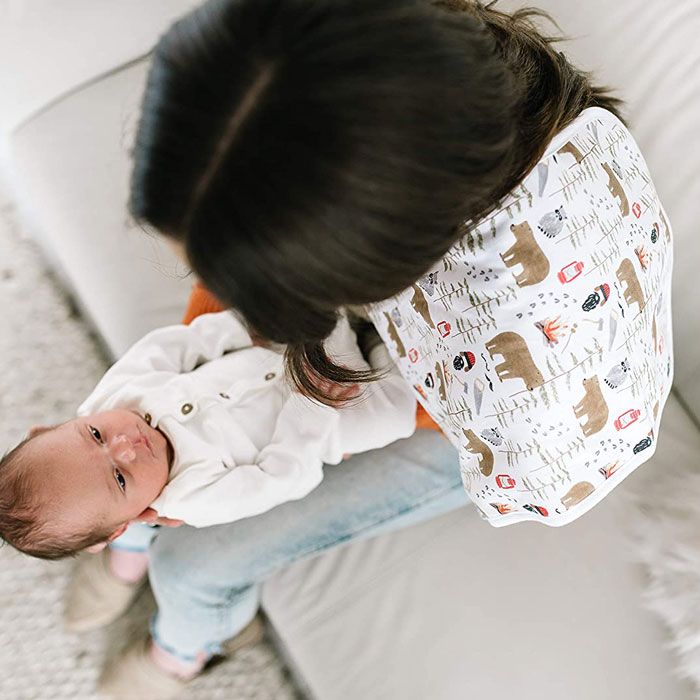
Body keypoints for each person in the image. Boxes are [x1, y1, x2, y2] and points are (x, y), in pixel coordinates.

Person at [61, 0, 673, 697]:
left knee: (194, 565)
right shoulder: (384, 55)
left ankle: (185, 647)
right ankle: (126, 535)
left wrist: (291, 427)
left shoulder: (526, 373)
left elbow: (398, 412)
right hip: (427, 315)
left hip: (468, 417)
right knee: (158, 415)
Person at [0, 311, 415, 558]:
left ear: (52, 427)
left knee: (312, 308)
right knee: (393, 417)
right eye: (120, 478)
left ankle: (346, 316)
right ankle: (386, 342)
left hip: (277, 348)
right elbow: (283, 477)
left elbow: (171, 348)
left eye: (95, 435)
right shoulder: (194, 499)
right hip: (327, 410)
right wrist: (312, 404)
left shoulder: (111, 397)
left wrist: (237, 329)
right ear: (124, 526)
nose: (125, 446)